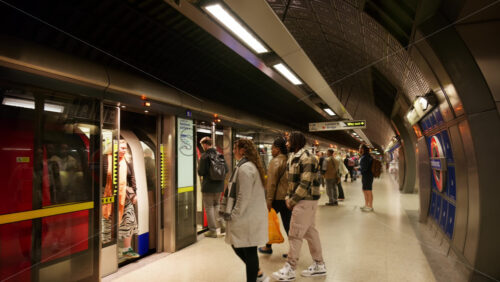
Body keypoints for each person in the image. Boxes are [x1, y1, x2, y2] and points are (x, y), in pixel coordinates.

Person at [272, 132, 327, 281]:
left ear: (295, 142)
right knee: (310, 232)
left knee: (295, 234)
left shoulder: (307, 157)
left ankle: (290, 268)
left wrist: (292, 200)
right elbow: (293, 182)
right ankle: (319, 264)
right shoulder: (294, 157)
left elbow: (305, 182)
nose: (287, 144)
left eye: (289, 141)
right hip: (305, 200)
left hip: (305, 200)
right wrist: (289, 196)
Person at [221, 139, 269, 282]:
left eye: (235, 148)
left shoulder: (245, 168)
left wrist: (234, 215)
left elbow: (243, 196)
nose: (233, 151)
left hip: (247, 217)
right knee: (245, 249)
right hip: (250, 215)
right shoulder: (249, 166)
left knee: (248, 251)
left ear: (243, 150)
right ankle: (258, 274)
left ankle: (256, 276)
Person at [258, 137, 290, 256]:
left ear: (278, 149)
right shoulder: (288, 159)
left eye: (272, 148)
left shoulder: (275, 161)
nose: (271, 151)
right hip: (286, 197)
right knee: (288, 224)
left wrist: (269, 200)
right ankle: (293, 250)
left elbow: (271, 183)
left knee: (268, 221)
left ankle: (267, 247)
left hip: (277, 198)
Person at [198, 137, 228, 238]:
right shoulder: (220, 155)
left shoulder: (204, 156)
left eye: (202, 145)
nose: (203, 147)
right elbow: (226, 169)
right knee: (217, 206)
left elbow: (200, 172)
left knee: (209, 207)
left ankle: (212, 231)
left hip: (208, 186)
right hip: (219, 186)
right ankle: (222, 225)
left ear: (206, 145)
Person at [117, 139, 139, 259]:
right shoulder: (108, 160)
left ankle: (127, 249)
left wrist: (134, 193)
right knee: (110, 224)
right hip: (112, 197)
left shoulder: (127, 160)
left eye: (125, 148)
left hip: (126, 197)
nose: (124, 150)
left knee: (129, 221)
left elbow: (132, 177)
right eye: (122, 148)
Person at [359, 144, 374, 212]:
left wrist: (359, 169)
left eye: (360, 148)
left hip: (367, 176)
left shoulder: (365, 157)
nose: (359, 150)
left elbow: (364, 168)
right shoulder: (367, 156)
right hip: (367, 175)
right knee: (365, 190)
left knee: (368, 190)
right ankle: (366, 205)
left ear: (363, 149)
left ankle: (370, 206)